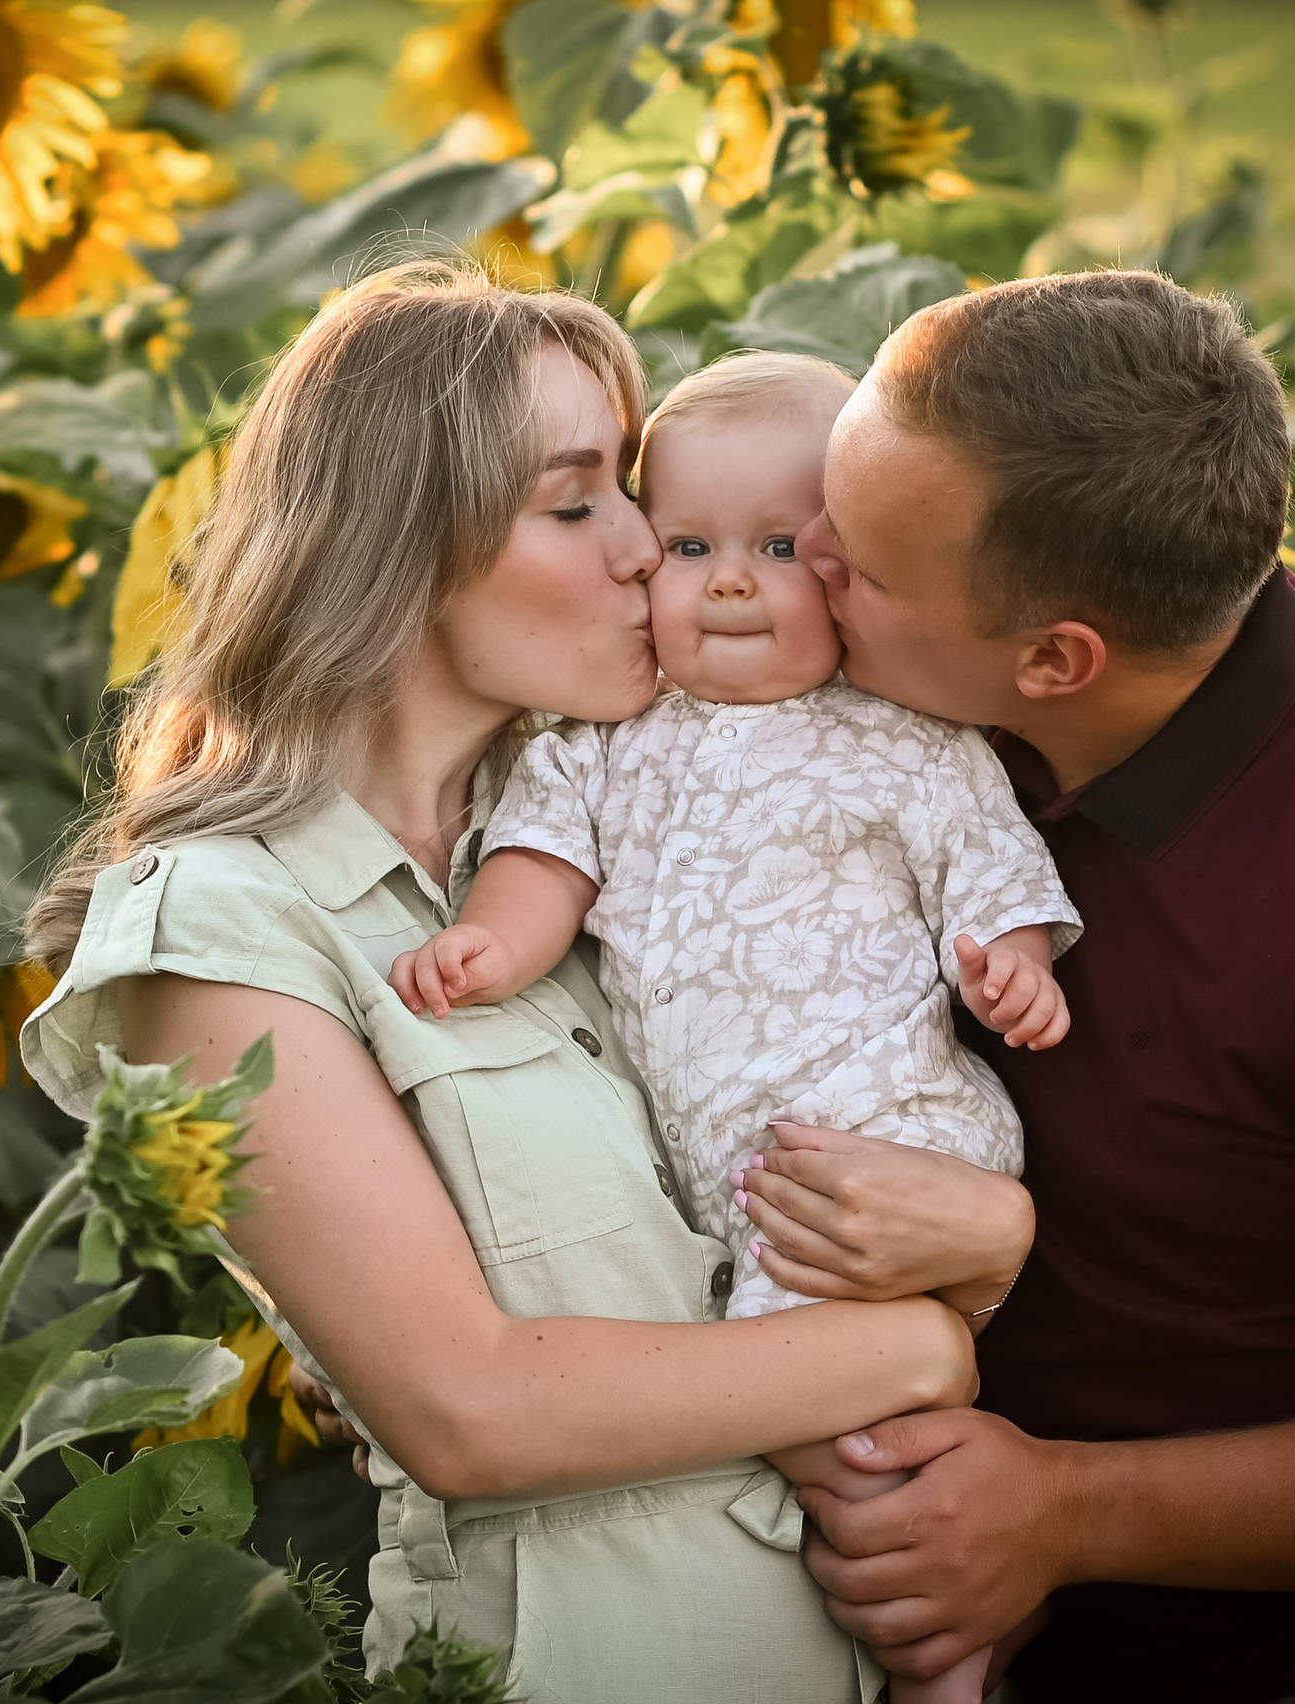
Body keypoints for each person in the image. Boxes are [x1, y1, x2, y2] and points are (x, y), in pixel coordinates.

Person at [17, 260, 1014, 1702]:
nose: (643, 551)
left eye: (633, 489)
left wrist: (992, 1225)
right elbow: (469, 1406)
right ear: (400, 552)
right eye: (575, 504)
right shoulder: (220, 935)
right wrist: (923, 1341)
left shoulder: (607, 834)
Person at [743, 270, 1295, 1702]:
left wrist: (1062, 1510)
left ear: (1056, 659)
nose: (800, 558)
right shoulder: (951, 701)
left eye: (857, 559)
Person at [385, 350, 1081, 1704]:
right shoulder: (607, 737)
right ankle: (956, 1620)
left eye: (780, 548)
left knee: (828, 1429)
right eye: (690, 545)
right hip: (736, 1174)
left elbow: (989, 872)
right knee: (843, 1415)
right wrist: (493, 944)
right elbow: (545, 866)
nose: (729, 582)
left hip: (878, 1130)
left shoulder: (907, 739)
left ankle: (943, 1653)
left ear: (847, 569)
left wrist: (1012, 963)